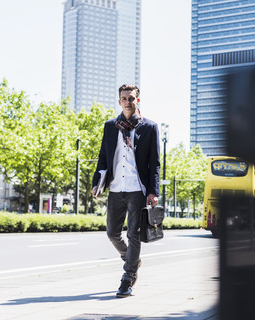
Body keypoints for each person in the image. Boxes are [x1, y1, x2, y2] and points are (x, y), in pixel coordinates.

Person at [92, 84, 160, 298]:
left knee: (133, 234)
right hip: (115, 188)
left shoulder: (149, 127)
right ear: (119, 101)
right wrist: (97, 183)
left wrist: (153, 190)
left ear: (137, 101)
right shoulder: (110, 126)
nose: (128, 102)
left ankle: (127, 278)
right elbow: (103, 157)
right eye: (124, 98)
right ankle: (131, 258)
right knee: (112, 233)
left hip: (136, 188)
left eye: (131, 98)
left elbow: (154, 163)